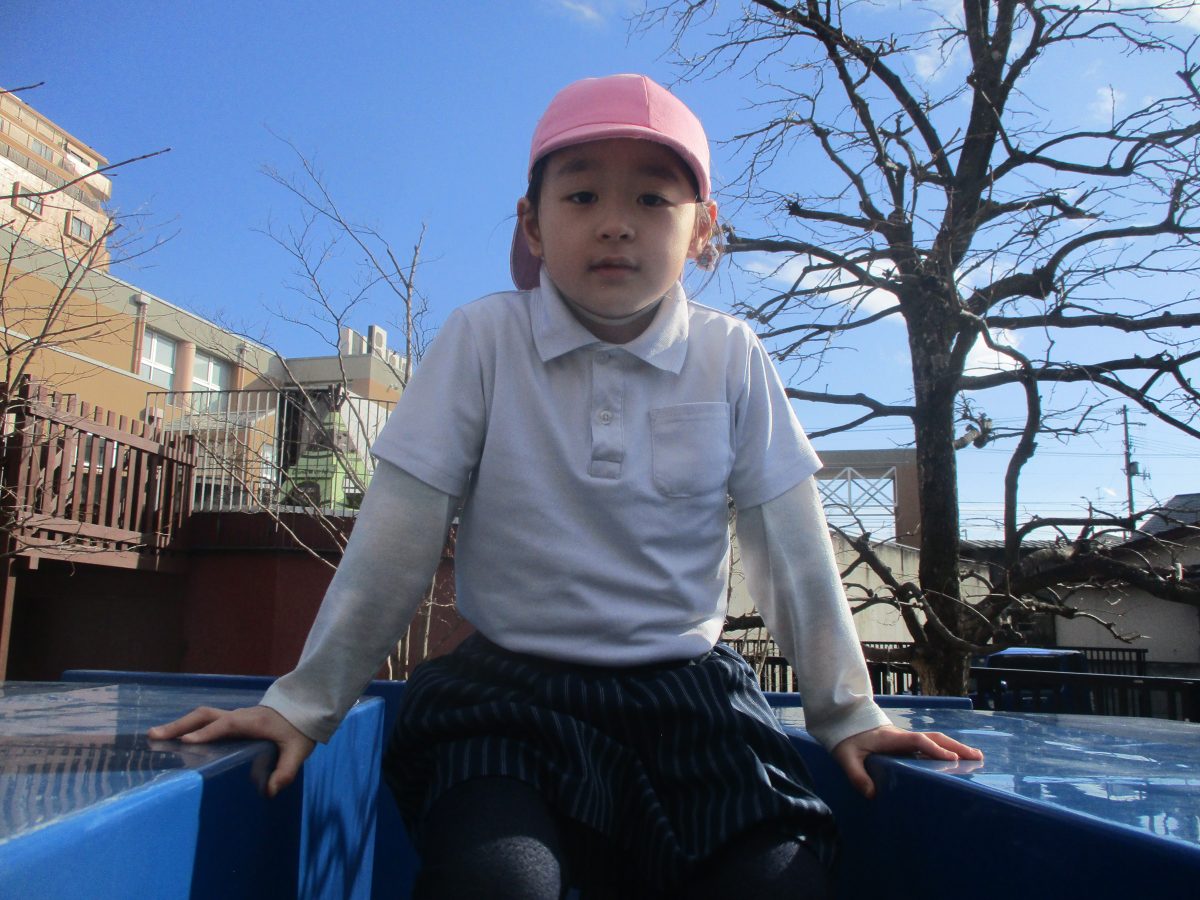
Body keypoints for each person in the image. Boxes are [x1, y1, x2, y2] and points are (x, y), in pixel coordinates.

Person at [150, 74, 982, 898]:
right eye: (582, 196)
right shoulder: (484, 340)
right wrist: (304, 704)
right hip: (510, 699)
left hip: (689, 700)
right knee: (497, 884)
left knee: (780, 885)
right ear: (533, 223)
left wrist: (849, 713)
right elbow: (396, 538)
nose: (616, 223)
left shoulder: (730, 355)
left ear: (703, 229)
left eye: (652, 199)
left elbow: (791, 546)